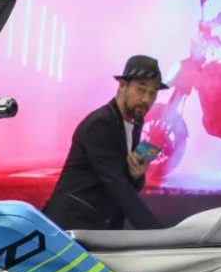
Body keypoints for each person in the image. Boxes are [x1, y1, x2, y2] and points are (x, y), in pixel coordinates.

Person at [43, 55, 165, 231]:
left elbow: (125, 181)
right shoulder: (100, 124)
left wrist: (137, 177)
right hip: (70, 227)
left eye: (153, 93)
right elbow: (118, 185)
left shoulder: (136, 122)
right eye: (141, 89)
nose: (146, 99)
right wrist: (159, 233)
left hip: (100, 228)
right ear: (122, 85)